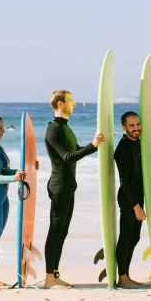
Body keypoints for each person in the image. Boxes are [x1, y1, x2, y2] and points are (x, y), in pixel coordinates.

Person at [43, 89, 105, 288]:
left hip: (69, 186)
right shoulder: (53, 129)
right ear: (60, 104)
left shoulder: (65, 128)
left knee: (62, 232)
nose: (74, 103)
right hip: (59, 186)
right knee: (55, 231)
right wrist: (92, 145)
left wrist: (96, 145)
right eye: (71, 100)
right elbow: (68, 157)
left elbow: (76, 150)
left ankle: (54, 274)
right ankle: (49, 278)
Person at [0, 115, 38, 290]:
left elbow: (4, 170)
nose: (3, 131)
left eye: (3, 128)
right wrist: (14, 178)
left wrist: (26, 170)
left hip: (2, 198)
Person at [113, 111, 146, 289]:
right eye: (132, 126)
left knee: (135, 237)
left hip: (139, 196)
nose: (136, 128)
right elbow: (124, 183)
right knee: (126, 238)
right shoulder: (122, 150)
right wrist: (136, 206)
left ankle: (126, 275)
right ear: (124, 127)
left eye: (138, 124)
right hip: (128, 199)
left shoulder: (140, 143)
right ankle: (122, 278)